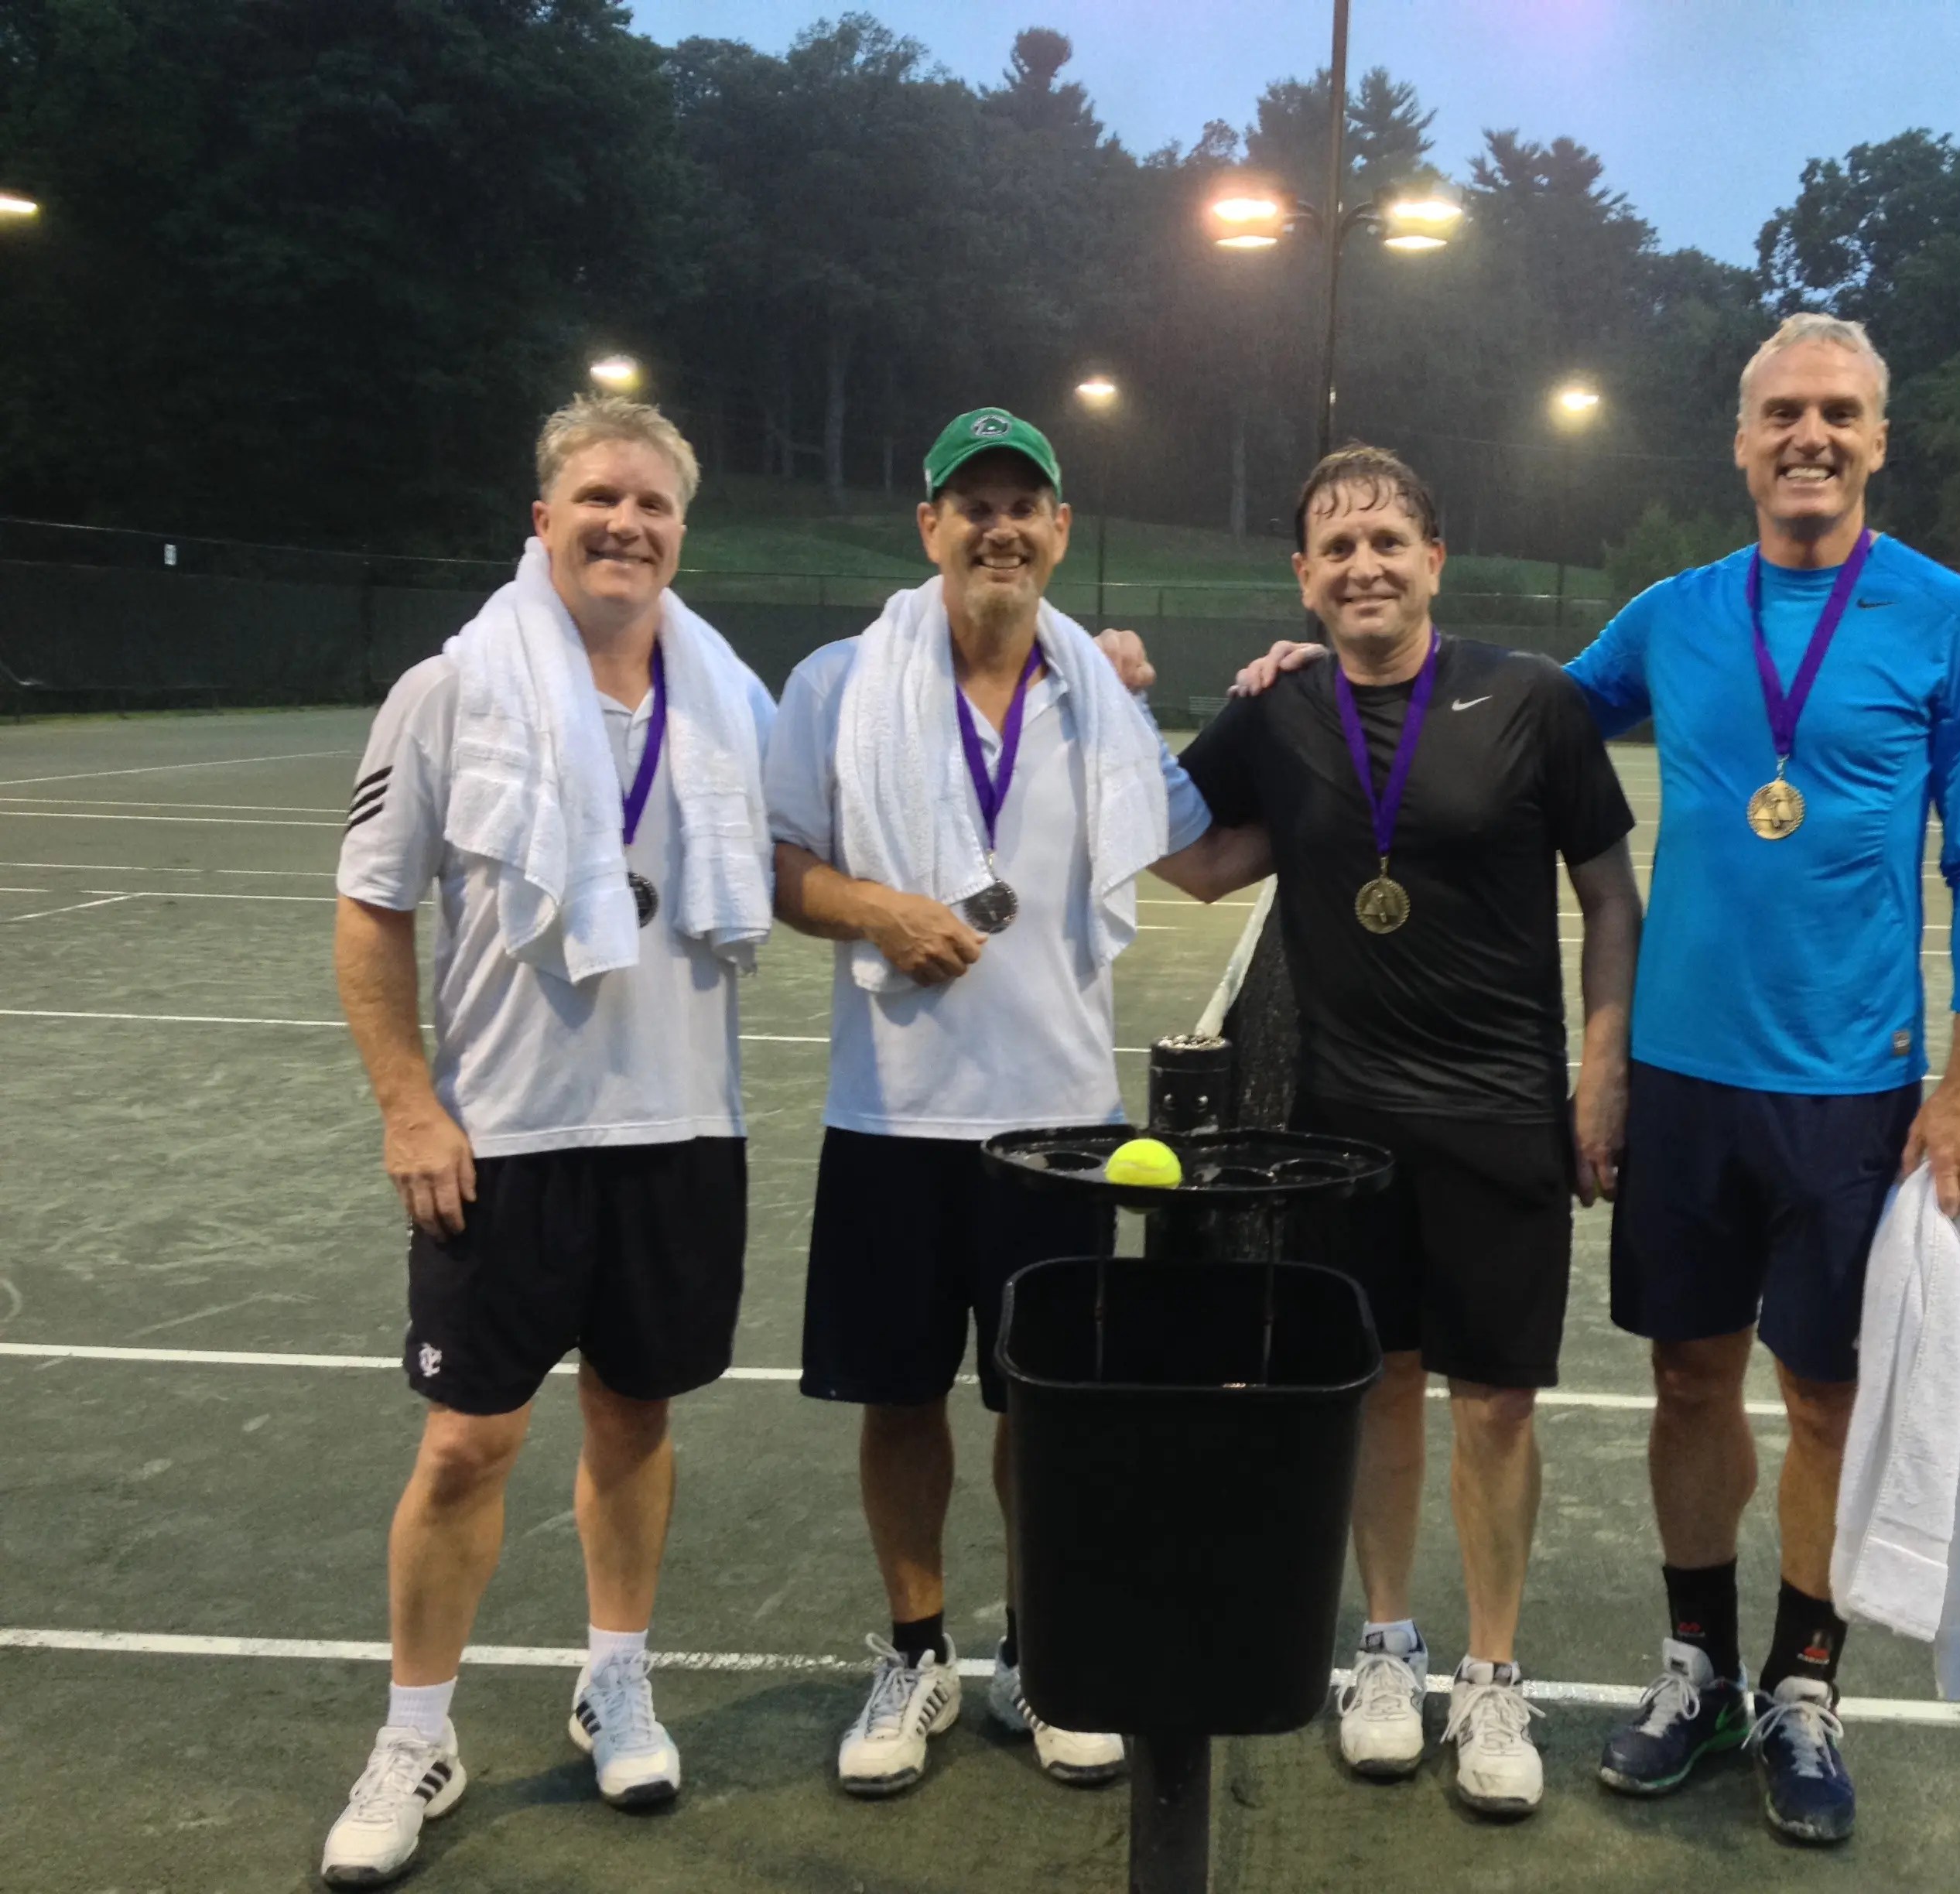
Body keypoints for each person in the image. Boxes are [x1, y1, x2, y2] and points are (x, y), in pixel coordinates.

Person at [1568, 315, 1960, 1843]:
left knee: (1825, 1396)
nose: (1809, 437)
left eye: (1839, 412)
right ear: (1743, 441)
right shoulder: (1675, 614)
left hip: (1853, 1091)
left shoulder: (1950, 617)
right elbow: (1516, 730)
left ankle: (1802, 1687)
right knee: (1688, 1379)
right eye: (1783, 414)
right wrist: (1328, 672)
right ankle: (1696, 1663)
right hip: (1684, 1078)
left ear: (1880, 439)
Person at [763, 407, 1267, 1797]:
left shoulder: (1097, 698)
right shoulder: (835, 683)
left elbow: (1209, 862)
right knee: (897, 1397)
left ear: (1057, 530)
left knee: (1046, 1407)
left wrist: (1314, 716)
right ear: (927, 528)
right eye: (969, 503)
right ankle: (917, 1650)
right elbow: (776, 864)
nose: (998, 526)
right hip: (891, 1112)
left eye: (1023, 504)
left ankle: (1043, 1653)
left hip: (1056, 1120)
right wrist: (874, 907)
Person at [323, 395, 777, 1887]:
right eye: (598, 497)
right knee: (466, 1444)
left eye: (652, 504)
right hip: (501, 1140)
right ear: (544, 519)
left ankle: (616, 1679)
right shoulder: (449, 691)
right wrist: (408, 1102)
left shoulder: (733, 700)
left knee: (635, 1420)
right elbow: (372, 911)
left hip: (681, 1128)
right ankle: (416, 1736)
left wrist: (1090, 669)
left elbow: (857, 797)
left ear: (681, 533)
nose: (625, 524)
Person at [1177, 444, 1642, 1818]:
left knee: (1496, 1402)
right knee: (1377, 1386)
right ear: (1304, 581)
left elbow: (1613, 898)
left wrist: (1601, 1071)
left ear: (1436, 559)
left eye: (1388, 539)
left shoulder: (1534, 702)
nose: (1364, 563)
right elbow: (1202, 864)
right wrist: (1084, 739)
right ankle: (1386, 1649)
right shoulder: (1279, 712)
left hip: (1502, 1113)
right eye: (1336, 546)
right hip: (1342, 1126)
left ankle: (1493, 1675)